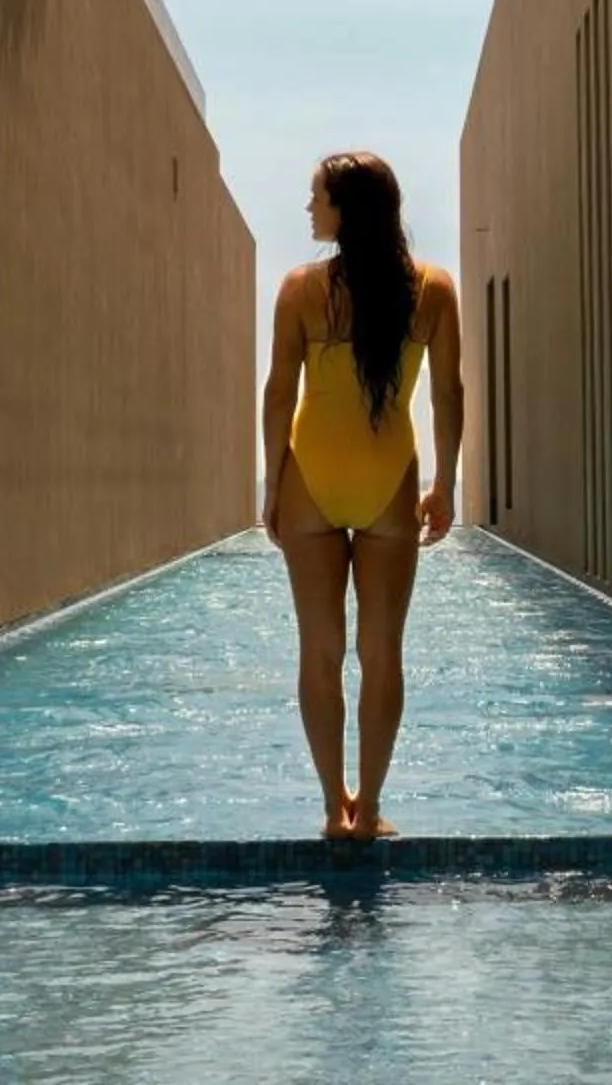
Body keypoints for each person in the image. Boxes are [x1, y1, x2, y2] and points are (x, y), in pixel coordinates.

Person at [259, 150, 462, 842]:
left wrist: (271, 483)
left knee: (318, 650)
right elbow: (447, 395)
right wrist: (445, 485)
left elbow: (279, 394)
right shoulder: (432, 290)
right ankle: (369, 809)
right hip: (388, 485)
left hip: (309, 484)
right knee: (382, 651)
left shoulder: (298, 291)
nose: (310, 207)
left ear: (347, 209)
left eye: (318, 196)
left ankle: (331, 809)